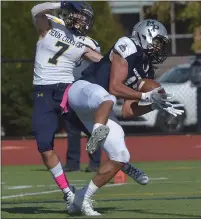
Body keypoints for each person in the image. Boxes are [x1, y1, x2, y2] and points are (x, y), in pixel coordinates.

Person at [66, 19, 184, 216]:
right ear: (146, 35)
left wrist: (154, 104)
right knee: (107, 96)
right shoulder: (128, 45)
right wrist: (144, 95)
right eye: (158, 42)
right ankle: (97, 133)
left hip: (102, 109)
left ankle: (81, 199)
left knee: (120, 156)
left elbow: (127, 112)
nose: (159, 48)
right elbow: (114, 86)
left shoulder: (146, 69)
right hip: (84, 91)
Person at [31, 1, 102, 213]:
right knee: (44, 146)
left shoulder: (86, 42)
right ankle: (69, 194)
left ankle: (123, 162)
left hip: (67, 92)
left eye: (85, 18)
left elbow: (102, 62)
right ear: (69, 13)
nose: (82, 20)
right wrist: (59, 3)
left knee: (97, 131)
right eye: (79, 15)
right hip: (43, 92)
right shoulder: (51, 26)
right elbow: (35, 10)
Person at [64, 41, 102, 172]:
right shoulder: (67, 40)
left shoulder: (91, 42)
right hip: (70, 87)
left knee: (91, 129)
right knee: (72, 128)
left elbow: (98, 60)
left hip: (87, 89)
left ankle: (95, 162)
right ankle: (72, 163)